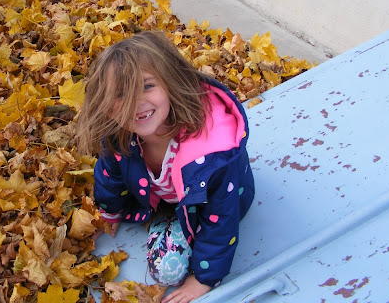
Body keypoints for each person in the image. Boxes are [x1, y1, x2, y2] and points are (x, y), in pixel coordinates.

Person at [76, 31, 255, 303]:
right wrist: (110, 212)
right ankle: (164, 216)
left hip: (212, 206)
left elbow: (221, 219)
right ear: (106, 105)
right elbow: (110, 176)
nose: (136, 103)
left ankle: (171, 223)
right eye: (121, 94)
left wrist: (204, 279)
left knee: (167, 271)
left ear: (171, 83)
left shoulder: (213, 156)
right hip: (166, 199)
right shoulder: (117, 134)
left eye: (148, 86)